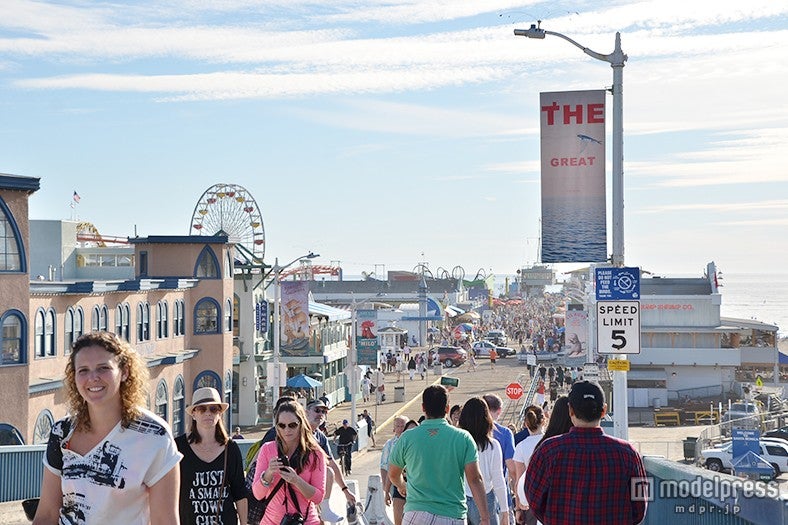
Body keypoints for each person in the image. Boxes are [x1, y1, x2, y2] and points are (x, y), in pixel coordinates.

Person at [34, 332, 181, 525]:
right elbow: (47, 514)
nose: (93, 377)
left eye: (103, 368)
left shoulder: (154, 434)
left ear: (125, 372)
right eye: (83, 370)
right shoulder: (61, 432)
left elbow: (165, 520)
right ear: (74, 377)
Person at [524, 382, 647, 525]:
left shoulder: (548, 450)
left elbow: (533, 498)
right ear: (604, 411)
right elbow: (640, 507)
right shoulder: (628, 453)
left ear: (570, 410)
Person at [388, 385, 490, 525]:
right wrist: (485, 517)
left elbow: (393, 473)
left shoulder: (407, 438)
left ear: (423, 408)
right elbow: (475, 479)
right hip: (452, 515)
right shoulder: (463, 438)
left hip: (415, 514)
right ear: (447, 409)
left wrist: (402, 486)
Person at [176, 387, 248, 525]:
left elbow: (240, 492)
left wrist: (244, 523)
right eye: (202, 409)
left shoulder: (230, 448)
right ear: (193, 414)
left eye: (213, 409)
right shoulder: (179, 447)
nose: (208, 413)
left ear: (220, 413)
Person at [251, 401, 327, 525]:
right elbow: (258, 494)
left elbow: (318, 497)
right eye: (282, 425)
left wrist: (296, 480)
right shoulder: (267, 449)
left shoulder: (315, 454)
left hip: (305, 521)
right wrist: (269, 473)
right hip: (271, 521)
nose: (287, 430)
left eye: (292, 425)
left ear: (301, 424)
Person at [458, 398, 510, 525]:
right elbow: (498, 479)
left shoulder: (457, 443)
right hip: (485, 499)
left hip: (459, 499)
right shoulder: (492, 445)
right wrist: (505, 510)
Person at [482, 394, 516, 521]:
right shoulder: (505, 433)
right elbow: (512, 468)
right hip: (499, 493)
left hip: (473, 494)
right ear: (499, 411)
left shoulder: (468, 433)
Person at [512, 406, 544, 525]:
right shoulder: (551, 442)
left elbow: (519, 480)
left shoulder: (521, 446)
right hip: (549, 498)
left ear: (526, 423)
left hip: (529, 499)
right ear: (544, 420)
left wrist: (518, 508)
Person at [380, 416, 409, 525]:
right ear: (394, 428)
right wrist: (386, 490)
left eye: (403, 426)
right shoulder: (390, 444)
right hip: (397, 484)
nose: (401, 429)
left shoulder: (414, 442)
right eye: (398, 426)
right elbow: (385, 467)